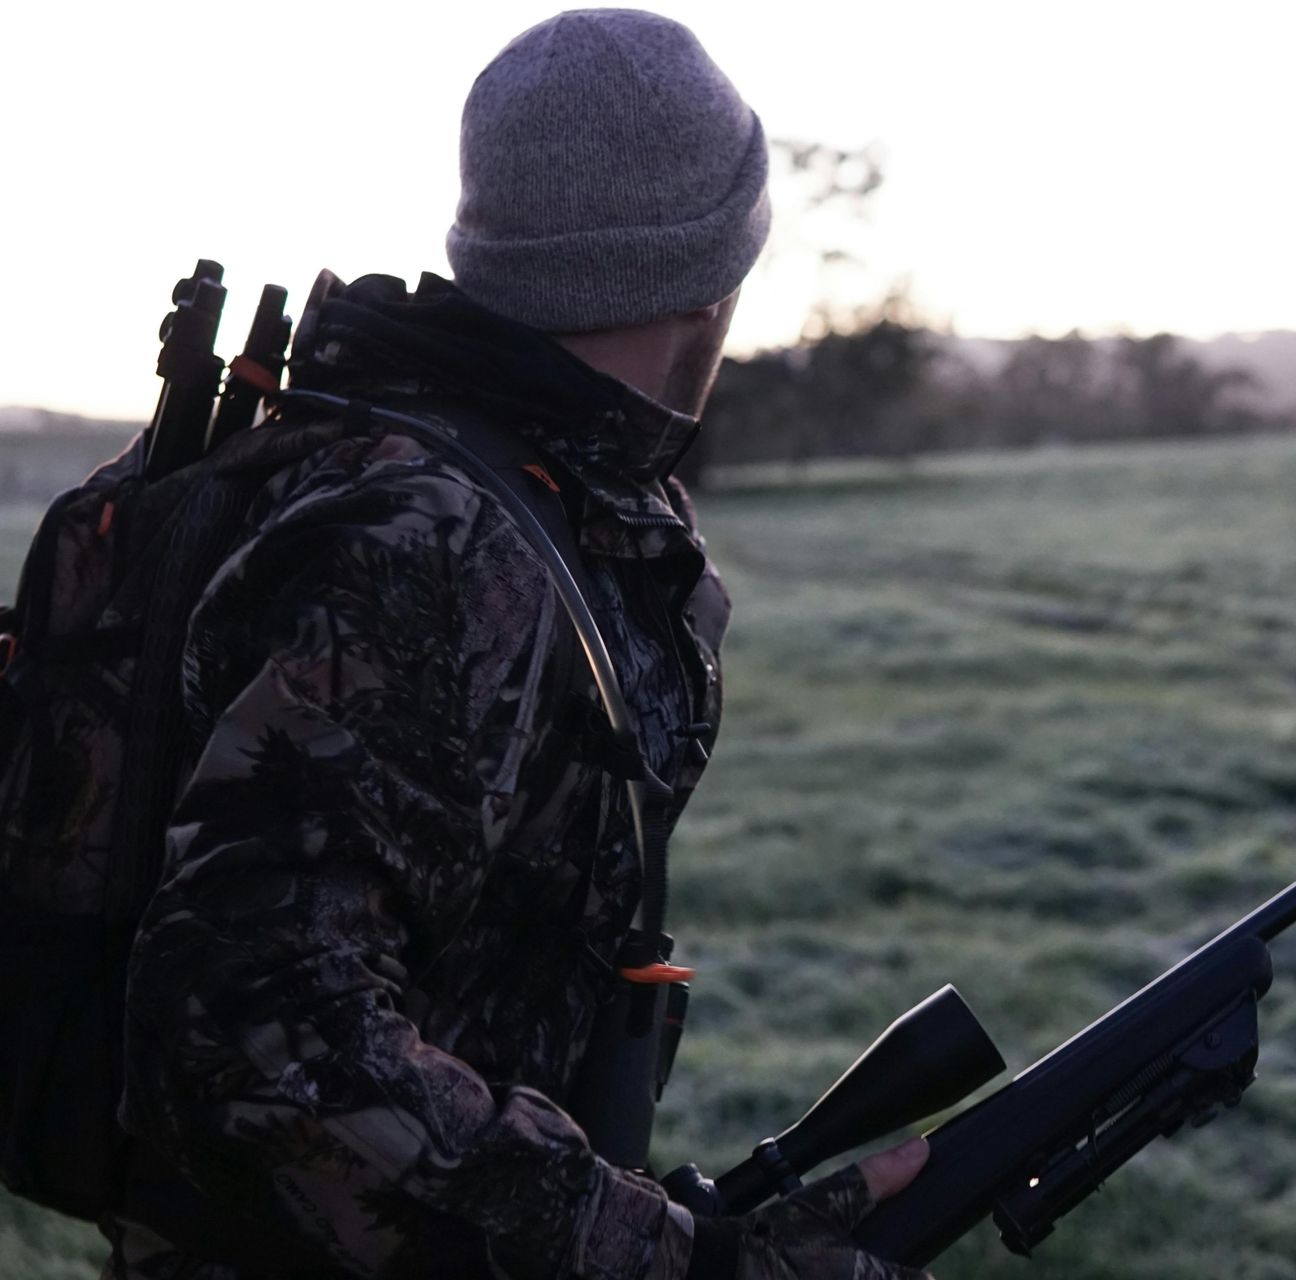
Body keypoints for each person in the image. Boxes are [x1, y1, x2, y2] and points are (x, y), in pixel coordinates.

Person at [109, 11, 927, 1279]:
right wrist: (670, 1257)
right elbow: (260, 1011)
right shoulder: (432, 536)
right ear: (718, 262)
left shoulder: (529, 487)